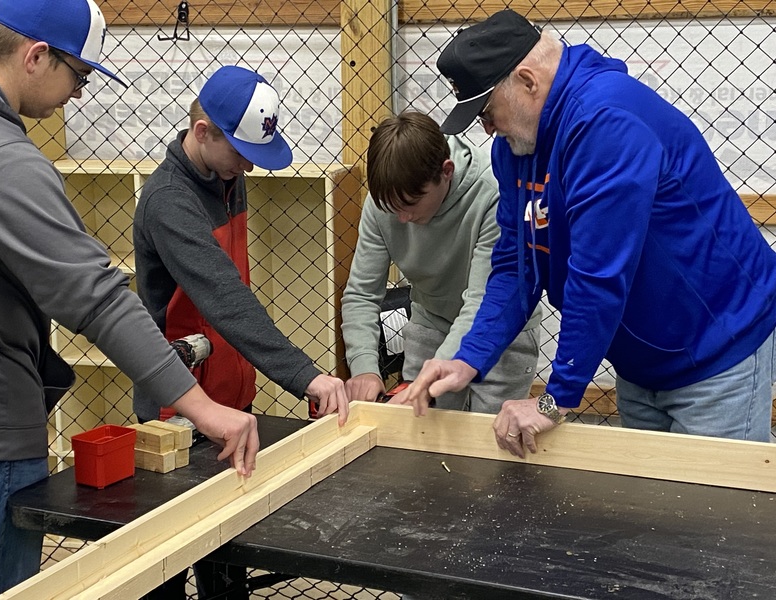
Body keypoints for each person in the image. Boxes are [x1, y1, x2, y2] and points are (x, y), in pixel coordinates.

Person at [0, 1, 259, 598]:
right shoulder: (4, 161)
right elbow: (97, 298)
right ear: (35, 57)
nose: (77, 95)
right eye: (78, 76)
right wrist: (204, 410)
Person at [406, 9, 776, 457]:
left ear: (528, 81)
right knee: (655, 504)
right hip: (641, 361)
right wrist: (468, 357)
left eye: (486, 111)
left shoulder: (606, 123)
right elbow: (515, 266)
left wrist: (553, 400)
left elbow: (597, 277)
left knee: (719, 509)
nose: (486, 129)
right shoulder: (517, 148)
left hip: (716, 347)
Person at [133, 65, 350, 599]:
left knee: (226, 561)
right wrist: (306, 375)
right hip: (178, 409)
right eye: (241, 151)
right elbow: (225, 298)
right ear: (203, 132)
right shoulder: (169, 202)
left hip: (230, 396)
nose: (250, 164)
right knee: (171, 556)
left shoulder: (227, 176)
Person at [342, 111, 542, 413]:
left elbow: (480, 301)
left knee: (489, 443)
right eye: (391, 207)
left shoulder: (493, 192)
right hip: (430, 323)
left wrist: (443, 365)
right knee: (419, 436)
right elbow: (361, 294)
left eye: (410, 203)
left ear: (446, 171)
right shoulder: (383, 202)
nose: (402, 218)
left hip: (498, 329)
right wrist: (365, 369)